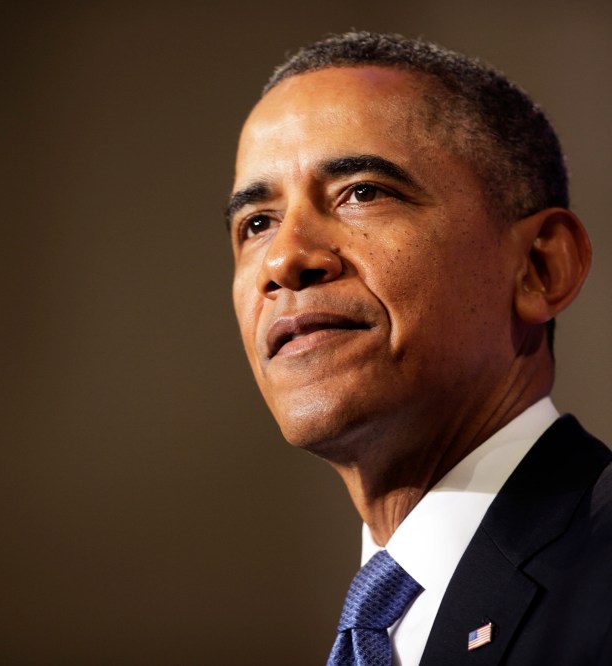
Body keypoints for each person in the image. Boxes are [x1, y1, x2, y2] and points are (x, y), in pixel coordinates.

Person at [226, 32, 612, 665]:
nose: (284, 258)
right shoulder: (381, 619)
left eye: (363, 192)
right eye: (256, 223)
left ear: (541, 268)